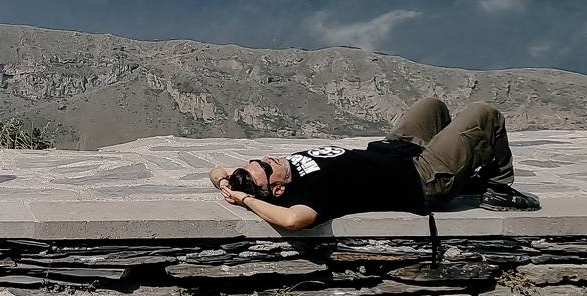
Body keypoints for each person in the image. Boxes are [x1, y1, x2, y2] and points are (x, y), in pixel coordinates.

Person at [208, 97, 541, 230]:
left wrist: (227, 186)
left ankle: (463, 169)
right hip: (422, 178)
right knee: (484, 114)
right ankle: (498, 188)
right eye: (265, 168)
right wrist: (247, 200)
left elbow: (217, 171)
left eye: (258, 161)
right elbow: (292, 220)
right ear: (278, 189)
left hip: (396, 151)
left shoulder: (278, 174)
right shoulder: (308, 195)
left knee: (432, 106)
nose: (267, 159)